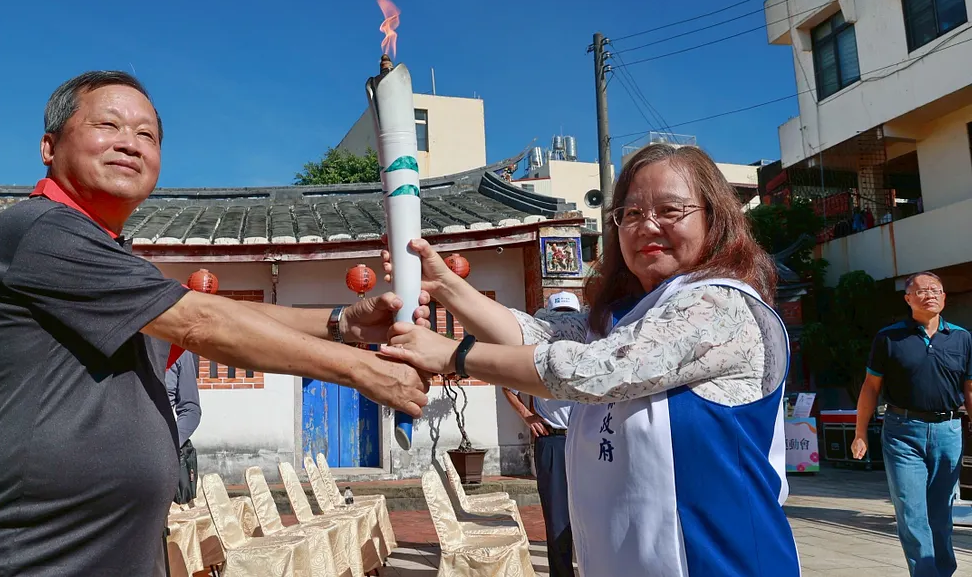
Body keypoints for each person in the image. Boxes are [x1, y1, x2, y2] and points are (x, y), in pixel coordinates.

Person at [0, 71, 429, 576]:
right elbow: (200, 322)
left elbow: (211, 312)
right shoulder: (39, 230)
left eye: (146, 134)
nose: (130, 143)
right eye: (108, 125)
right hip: (23, 556)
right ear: (49, 147)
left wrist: (344, 322)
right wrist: (364, 371)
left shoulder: (109, 255)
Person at [381, 143, 800, 577]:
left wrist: (456, 355)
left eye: (670, 210)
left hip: (724, 562)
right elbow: (537, 337)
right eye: (631, 213)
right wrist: (445, 285)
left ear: (714, 218)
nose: (647, 225)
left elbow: (596, 370)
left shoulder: (723, 304)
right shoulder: (625, 316)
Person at [852, 272, 972, 577]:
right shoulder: (889, 338)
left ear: (944, 297)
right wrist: (860, 432)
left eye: (935, 290)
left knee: (941, 511)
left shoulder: (962, 338)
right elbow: (870, 387)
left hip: (948, 432)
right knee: (911, 510)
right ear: (908, 299)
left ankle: (942, 570)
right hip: (902, 432)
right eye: (921, 291)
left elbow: (970, 389)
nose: (929, 295)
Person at [501, 291, 578, 577]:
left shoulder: (589, 351)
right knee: (557, 515)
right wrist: (527, 415)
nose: (563, 325)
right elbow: (508, 386)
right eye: (557, 318)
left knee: (593, 509)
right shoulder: (535, 357)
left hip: (586, 440)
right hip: (553, 441)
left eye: (569, 317)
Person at [165, 349, 201, 504]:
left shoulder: (178, 351)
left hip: (158, 462)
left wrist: (168, 445)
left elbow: (190, 410)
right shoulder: (113, 344)